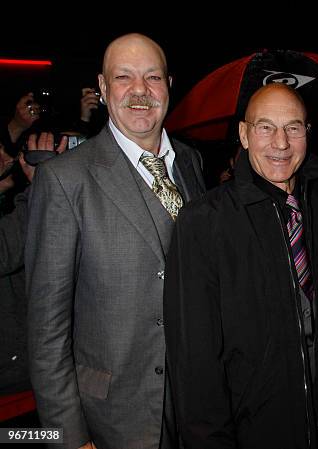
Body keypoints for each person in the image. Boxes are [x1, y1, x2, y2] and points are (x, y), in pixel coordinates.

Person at [25, 33, 206, 449]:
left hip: (197, 404)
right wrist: (68, 438)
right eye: (124, 77)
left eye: (152, 77)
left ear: (169, 85)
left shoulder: (192, 162)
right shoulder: (64, 180)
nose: (140, 90)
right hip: (110, 416)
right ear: (104, 89)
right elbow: (46, 330)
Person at [164, 83, 318, 449]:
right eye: (265, 127)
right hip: (253, 431)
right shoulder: (203, 222)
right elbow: (194, 359)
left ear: (308, 132)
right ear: (243, 134)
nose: (281, 143)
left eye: (293, 127)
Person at [1, 133, 67, 399]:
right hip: (10, 383)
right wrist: (43, 184)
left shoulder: (8, 205)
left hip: (26, 372)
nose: (9, 160)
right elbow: (6, 249)